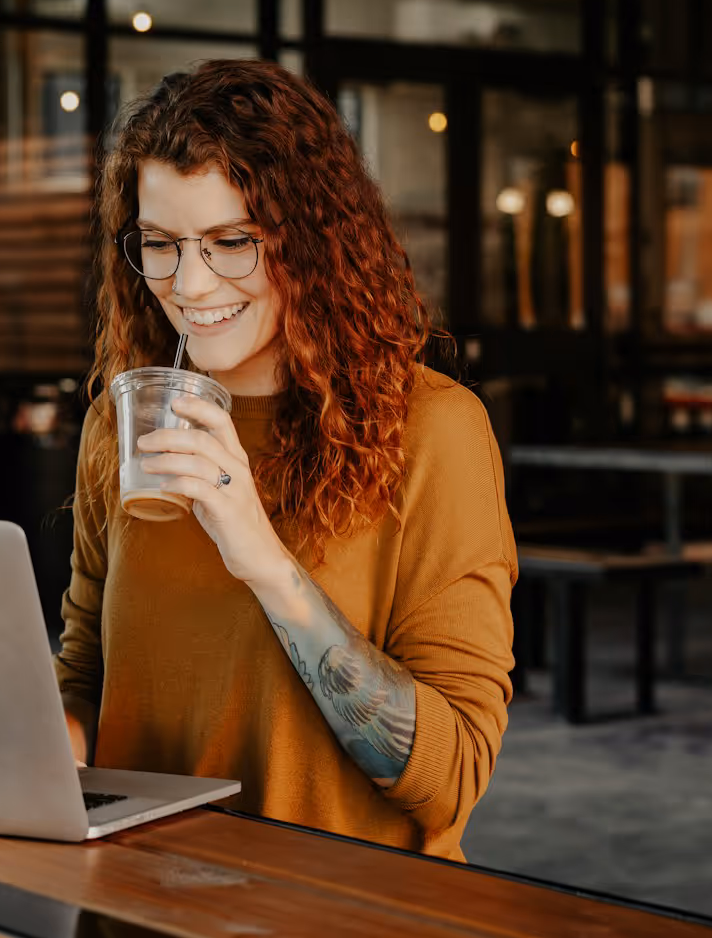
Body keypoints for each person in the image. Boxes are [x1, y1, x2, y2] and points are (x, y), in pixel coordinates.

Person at [55, 59, 518, 862]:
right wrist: (28, 736)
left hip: (340, 909)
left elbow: (451, 780)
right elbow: (88, 673)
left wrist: (264, 559)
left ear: (312, 239)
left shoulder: (433, 430)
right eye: (160, 244)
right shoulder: (122, 424)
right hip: (138, 902)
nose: (190, 284)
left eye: (232, 242)